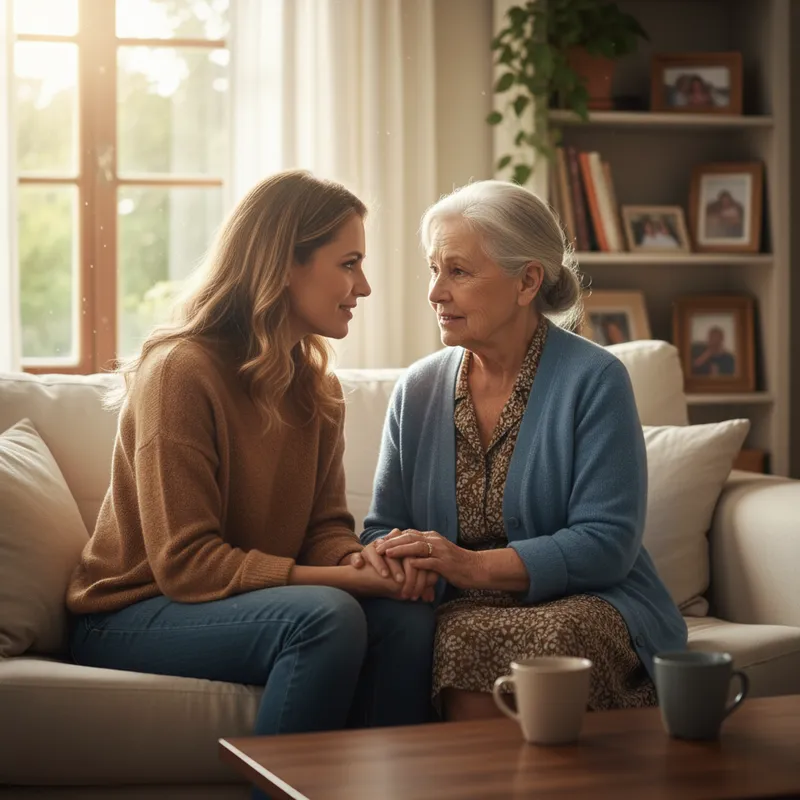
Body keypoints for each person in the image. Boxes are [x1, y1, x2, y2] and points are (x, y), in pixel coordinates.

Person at [66, 171, 437, 743]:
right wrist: (345, 581)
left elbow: (323, 528)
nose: (363, 287)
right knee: (327, 618)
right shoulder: (180, 372)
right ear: (285, 264)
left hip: (242, 601)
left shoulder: (316, 390)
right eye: (349, 263)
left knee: (408, 618)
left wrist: (366, 563)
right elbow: (186, 565)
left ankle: (386, 784)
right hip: (127, 613)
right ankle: (279, 784)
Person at [360, 179, 687, 722]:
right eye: (434, 269)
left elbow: (607, 543)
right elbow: (381, 527)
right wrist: (403, 557)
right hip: (455, 606)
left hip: (588, 601)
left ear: (528, 281)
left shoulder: (595, 379)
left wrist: (470, 566)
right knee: (438, 631)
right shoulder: (416, 390)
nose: (436, 292)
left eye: (458, 271)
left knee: (539, 635)